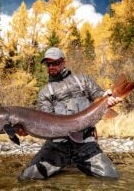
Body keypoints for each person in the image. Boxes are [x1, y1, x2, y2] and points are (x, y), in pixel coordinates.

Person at [18, 47, 121, 180]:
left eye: (54, 63)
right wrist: (27, 130)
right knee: (26, 177)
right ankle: (63, 163)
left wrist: (108, 96)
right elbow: (46, 123)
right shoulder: (44, 93)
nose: (51, 67)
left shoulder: (83, 80)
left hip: (85, 141)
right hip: (57, 145)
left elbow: (98, 96)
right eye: (48, 64)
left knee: (111, 177)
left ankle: (71, 164)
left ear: (63, 62)